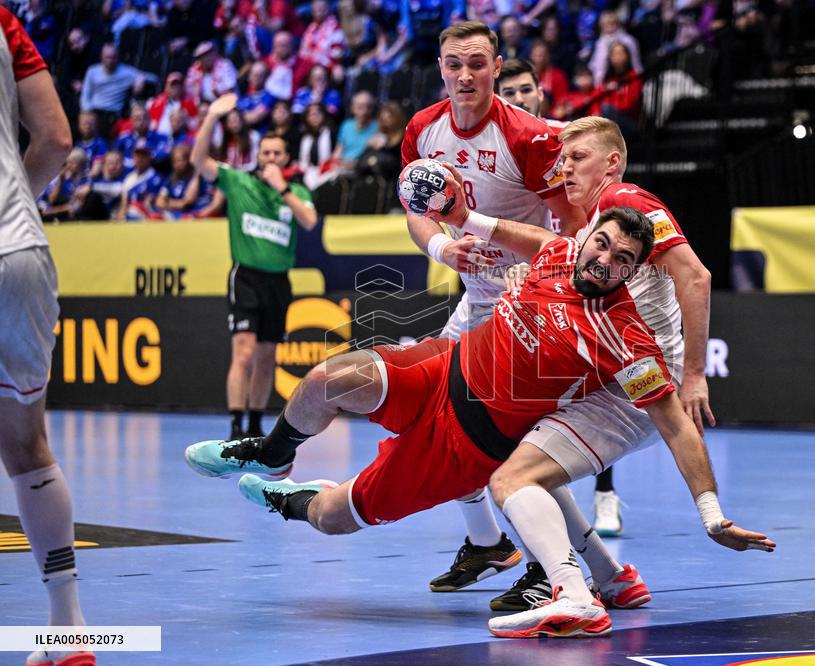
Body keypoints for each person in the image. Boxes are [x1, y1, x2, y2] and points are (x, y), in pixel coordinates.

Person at [184, 205, 775, 638]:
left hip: (467, 444)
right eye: (603, 244)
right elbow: (535, 234)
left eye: (623, 259)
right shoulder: (561, 250)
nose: (604, 260)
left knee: (333, 518)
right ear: (589, 237)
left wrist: (711, 514)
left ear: (633, 273)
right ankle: (277, 452)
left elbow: (674, 425)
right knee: (324, 381)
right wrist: (466, 217)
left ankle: (287, 498)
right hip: (443, 368)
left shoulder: (624, 335)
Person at [490, 114, 715, 608]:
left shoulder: (625, 200)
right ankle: (611, 578)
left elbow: (695, 277)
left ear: (611, 163)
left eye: (576, 159)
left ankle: (570, 591)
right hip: (609, 368)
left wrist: (694, 375)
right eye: (562, 160)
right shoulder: (594, 222)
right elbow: (563, 267)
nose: (564, 169)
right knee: (516, 453)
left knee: (511, 471)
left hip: (636, 377)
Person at [401, 20, 587, 593]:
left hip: (527, 303)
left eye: (477, 63)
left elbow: (573, 224)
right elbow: (415, 208)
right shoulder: (422, 129)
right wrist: (441, 246)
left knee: (510, 440)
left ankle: (548, 569)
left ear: (497, 67)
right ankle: (487, 543)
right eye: (455, 64)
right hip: (475, 301)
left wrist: (550, 288)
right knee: (434, 413)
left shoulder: (529, 137)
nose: (465, 75)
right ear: (440, 67)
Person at [0, 7, 93, 665]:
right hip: (19, 249)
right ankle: (68, 631)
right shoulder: (3, 19)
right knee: (27, 444)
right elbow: (57, 138)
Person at [191, 92, 317, 441]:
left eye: (277, 153)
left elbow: (309, 220)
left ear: (286, 158)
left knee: (266, 357)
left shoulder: (296, 192)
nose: (271, 158)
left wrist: (283, 190)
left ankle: (255, 425)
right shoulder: (238, 181)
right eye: (266, 153)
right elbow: (198, 159)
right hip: (245, 277)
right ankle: (234, 425)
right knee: (243, 352)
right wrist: (212, 116)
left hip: (279, 281)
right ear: (258, 156)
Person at [79, 42, 158, 137]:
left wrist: (141, 78)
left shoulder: (126, 72)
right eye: (107, 57)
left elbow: (154, 78)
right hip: (95, 111)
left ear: (117, 57)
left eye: (113, 57)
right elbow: (85, 96)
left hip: (114, 114)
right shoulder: (92, 71)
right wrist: (87, 112)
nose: (110, 60)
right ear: (101, 57)